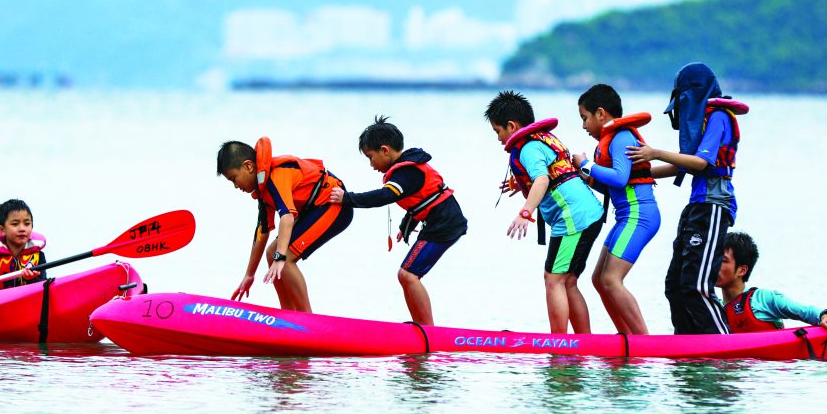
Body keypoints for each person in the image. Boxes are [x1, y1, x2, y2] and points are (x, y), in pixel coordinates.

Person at [626, 62, 748, 334]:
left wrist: (655, 152)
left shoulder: (718, 116)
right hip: (697, 207)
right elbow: (682, 165)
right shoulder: (706, 118)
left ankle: (724, 344)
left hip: (714, 206)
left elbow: (701, 163)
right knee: (675, 286)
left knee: (696, 285)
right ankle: (686, 344)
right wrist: (637, 175)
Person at [485, 91, 605, 334]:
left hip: (573, 219)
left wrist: (525, 212)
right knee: (568, 282)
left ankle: (558, 344)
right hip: (588, 212)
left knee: (553, 280)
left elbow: (541, 179)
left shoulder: (528, 148)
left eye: (498, 131)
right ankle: (584, 343)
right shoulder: (540, 140)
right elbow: (553, 176)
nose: (498, 138)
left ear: (511, 126)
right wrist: (521, 185)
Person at [329, 116, 467, 325]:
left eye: (370, 157)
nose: (371, 164)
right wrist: (407, 224)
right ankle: (423, 327)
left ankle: (427, 331)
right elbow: (422, 200)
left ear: (385, 150)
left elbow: (385, 196)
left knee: (408, 275)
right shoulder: (407, 169)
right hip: (443, 222)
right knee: (408, 275)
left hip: (444, 224)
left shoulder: (406, 172)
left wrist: (347, 199)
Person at [217, 137, 354, 313]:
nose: (236, 186)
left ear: (249, 166)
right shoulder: (262, 188)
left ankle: (306, 319)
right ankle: (287, 314)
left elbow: (287, 217)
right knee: (271, 253)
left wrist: (281, 256)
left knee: (285, 258)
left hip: (333, 205)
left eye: (234, 179)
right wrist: (249, 275)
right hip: (314, 209)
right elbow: (262, 232)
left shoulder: (275, 176)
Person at [572, 84, 661, 335]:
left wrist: (586, 164)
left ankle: (644, 342)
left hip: (639, 215)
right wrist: (584, 175)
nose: (583, 126)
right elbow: (613, 187)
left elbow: (620, 178)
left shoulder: (620, 136)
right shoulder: (609, 141)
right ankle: (627, 337)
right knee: (599, 280)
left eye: (584, 118)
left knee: (611, 280)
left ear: (601, 114)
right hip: (626, 217)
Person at [718, 231, 827, 340]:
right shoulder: (714, 308)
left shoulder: (762, 299)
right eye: (713, 259)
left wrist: (825, 315)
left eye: (723, 260)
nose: (714, 265)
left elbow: (804, 311)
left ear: (742, 270)